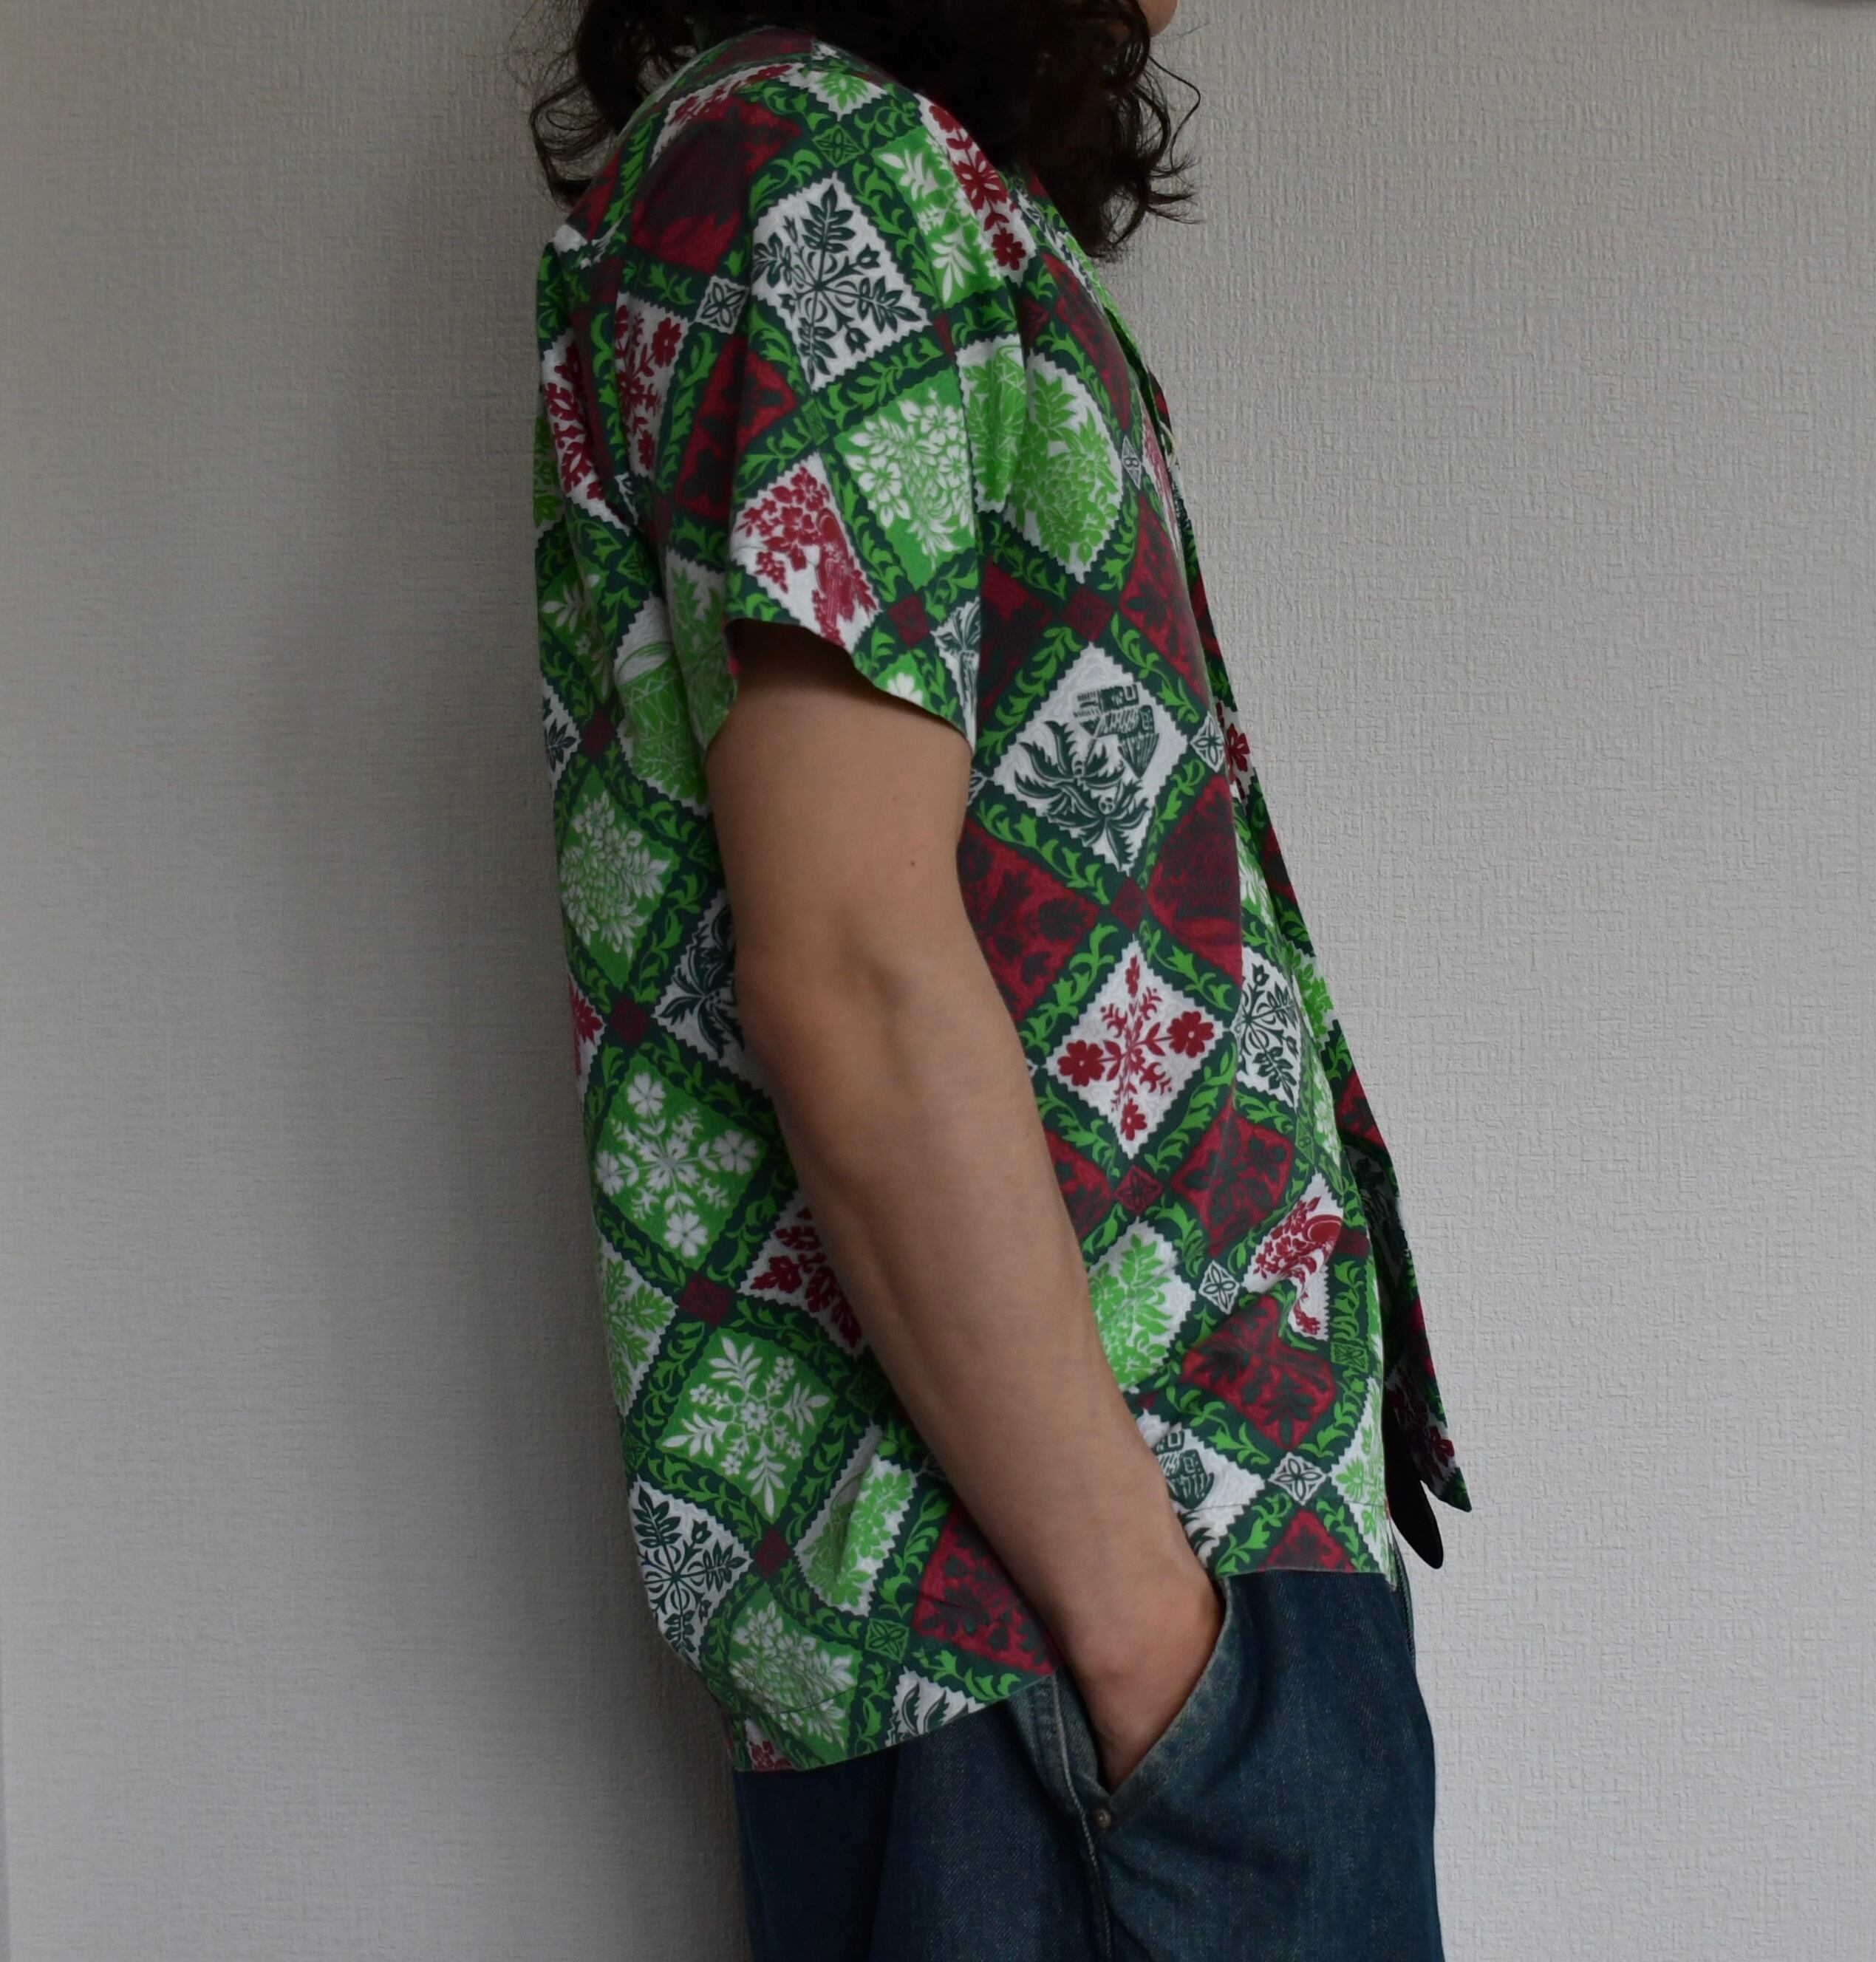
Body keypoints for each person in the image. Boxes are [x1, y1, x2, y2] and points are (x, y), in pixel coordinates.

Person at [528, 4, 1469, 1955]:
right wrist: (1152, 1647)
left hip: (1102, 1617)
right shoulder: (819, 166)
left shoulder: (883, 179)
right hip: (1053, 1639)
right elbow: (851, 969)